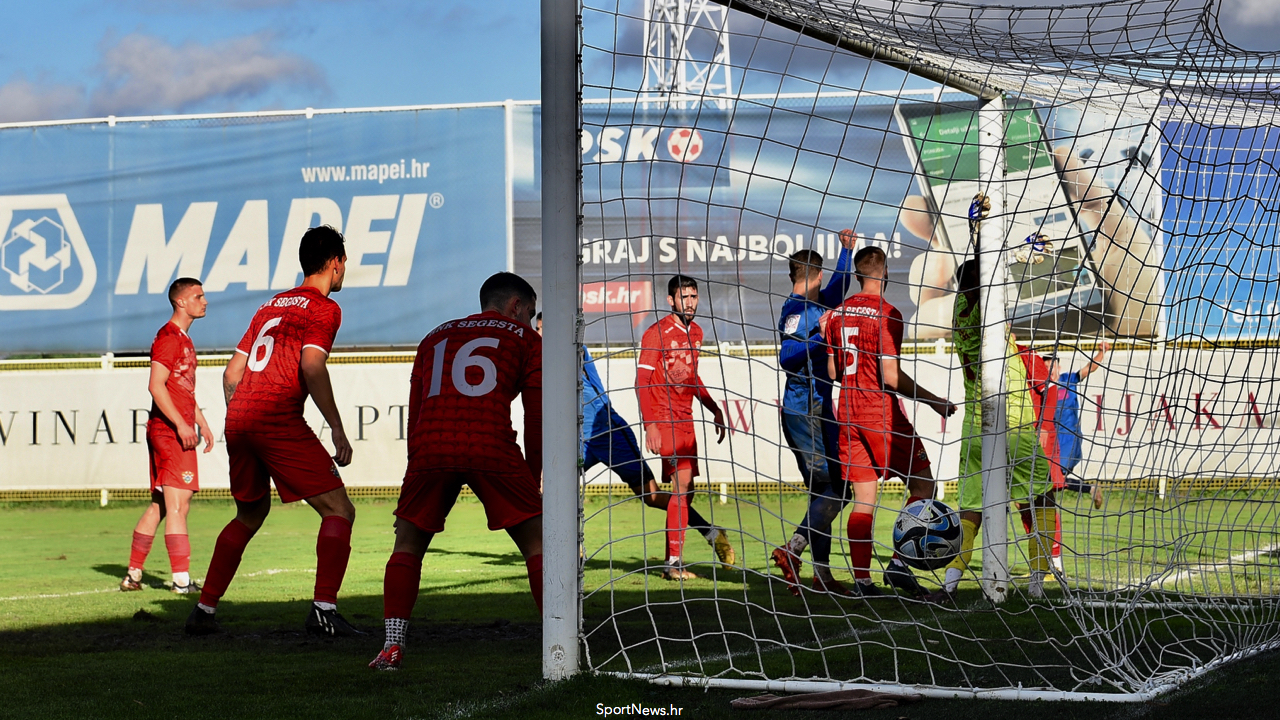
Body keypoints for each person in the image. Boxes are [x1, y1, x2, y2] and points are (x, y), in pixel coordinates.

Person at [186, 225, 358, 637]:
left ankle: (203, 611)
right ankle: (323, 611)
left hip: (240, 417)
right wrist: (336, 427)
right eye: (344, 264)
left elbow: (232, 374)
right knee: (339, 510)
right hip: (275, 418)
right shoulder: (324, 309)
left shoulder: (270, 306)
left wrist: (241, 417)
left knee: (249, 514)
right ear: (335, 264)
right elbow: (312, 366)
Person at [370, 272, 543, 671]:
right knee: (538, 543)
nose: (532, 321)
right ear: (516, 306)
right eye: (530, 312)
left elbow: (415, 409)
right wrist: (534, 476)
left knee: (408, 544)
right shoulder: (526, 340)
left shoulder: (435, 335)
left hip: (431, 444)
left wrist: (417, 460)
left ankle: (391, 647)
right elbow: (536, 417)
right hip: (488, 442)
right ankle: (558, 640)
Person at [535, 313, 736, 567]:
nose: (540, 334)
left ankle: (711, 532)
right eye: (538, 329)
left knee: (651, 497)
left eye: (545, 329)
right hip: (579, 439)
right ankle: (574, 552)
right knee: (550, 489)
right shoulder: (541, 361)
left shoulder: (573, 350)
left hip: (609, 434)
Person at [926, 252, 1064, 603]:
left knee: (971, 511)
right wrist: (1021, 257)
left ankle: (950, 586)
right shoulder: (988, 312)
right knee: (1041, 500)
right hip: (1013, 419)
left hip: (977, 425)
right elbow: (990, 282)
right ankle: (1036, 583)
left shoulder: (961, 312)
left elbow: (980, 283)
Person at [822, 246, 956, 597]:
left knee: (864, 498)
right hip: (880, 413)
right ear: (884, 274)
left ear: (856, 274)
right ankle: (898, 563)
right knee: (924, 485)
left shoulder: (836, 315)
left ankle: (863, 582)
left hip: (847, 412)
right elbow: (891, 377)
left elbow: (834, 371)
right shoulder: (887, 313)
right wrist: (934, 401)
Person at [770, 230, 858, 596]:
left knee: (823, 491)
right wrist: (820, 339)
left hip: (817, 408)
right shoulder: (796, 311)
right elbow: (786, 357)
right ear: (814, 275)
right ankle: (794, 549)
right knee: (839, 490)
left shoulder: (818, 302)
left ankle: (821, 576)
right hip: (806, 409)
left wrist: (846, 252)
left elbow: (839, 287)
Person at [120, 278, 214, 594]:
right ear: (181, 302)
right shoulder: (169, 338)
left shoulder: (183, 338)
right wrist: (182, 425)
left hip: (175, 429)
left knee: (161, 504)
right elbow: (156, 385)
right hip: (169, 432)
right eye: (198, 296)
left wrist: (200, 420)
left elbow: (182, 388)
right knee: (178, 506)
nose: (204, 301)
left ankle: (133, 576)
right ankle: (181, 581)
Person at [636, 275, 728, 581]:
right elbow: (642, 382)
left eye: (693, 296)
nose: (689, 302)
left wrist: (713, 408)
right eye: (683, 297)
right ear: (671, 301)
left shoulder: (697, 332)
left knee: (685, 494)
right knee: (681, 488)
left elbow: (691, 378)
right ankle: (673, 564)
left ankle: (696, 543)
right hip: (664, 420)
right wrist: (651, 425)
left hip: (686, 419)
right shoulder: (656, 333)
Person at [1044, 343, 1109, 510]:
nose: (1050, 371)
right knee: (1050, 479)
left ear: (1058, 367)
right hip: (1052, 440)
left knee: (1054, 478)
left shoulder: (1068, 379)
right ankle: (1090, 489)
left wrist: (1101, 353)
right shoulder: (1042, 387)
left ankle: (1088, 489)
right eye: (1046, 368)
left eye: (1052, 366)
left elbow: (1089, 368)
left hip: (1070, 438)